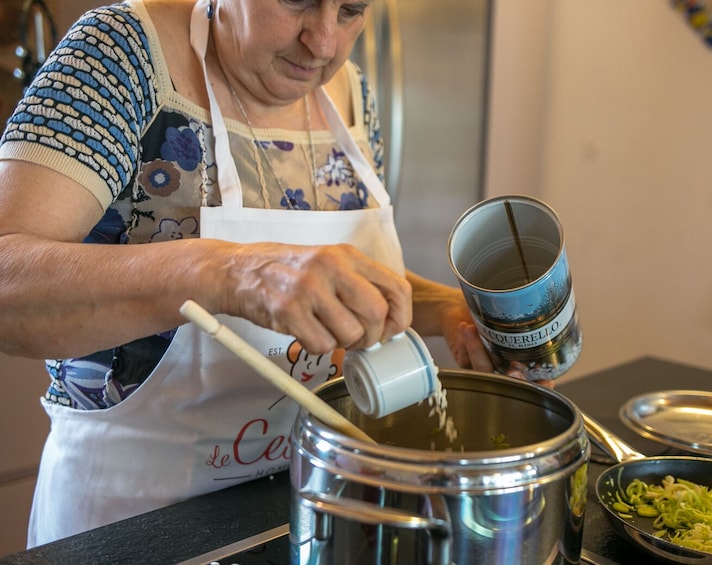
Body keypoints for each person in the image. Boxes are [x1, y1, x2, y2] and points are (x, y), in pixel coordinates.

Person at [0, 0, 494, 546]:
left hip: (298, 510)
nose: (323, 43)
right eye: (296, 2)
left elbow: (332, 280)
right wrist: (228, 271)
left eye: (351, 10)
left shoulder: (349, 91)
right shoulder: (122, 54)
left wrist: (443, 308)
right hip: (127, 521)